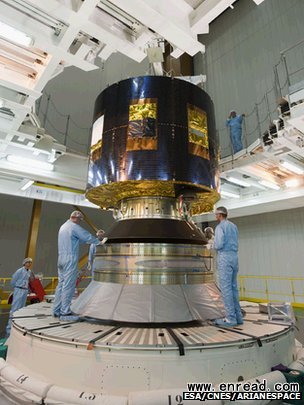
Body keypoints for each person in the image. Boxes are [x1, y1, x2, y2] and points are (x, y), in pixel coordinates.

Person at [53, 211, 101, 321]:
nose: (80, 223)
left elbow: (76, 239)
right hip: (70, 258)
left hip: (61, 258)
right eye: (80, 220)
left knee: (61, 284)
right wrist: (99, 242)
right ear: (75, 218)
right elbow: (87, 236)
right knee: (69, 286)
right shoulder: (73, 226)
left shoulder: (63, 227)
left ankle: (56, 310)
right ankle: (65, 313)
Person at [213, 207, 243, 327]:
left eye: (216, 215)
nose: (215, 217)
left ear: (220, 215)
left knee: (226, 289)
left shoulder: (220, 227)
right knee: (234, 287)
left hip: (225, 257)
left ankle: (230, 318)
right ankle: (238, 317)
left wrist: (212, 245)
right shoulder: (233, 226)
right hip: (234, 257)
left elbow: (219, 244)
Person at [6, 257, 33, 336]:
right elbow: (13, 281)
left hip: (24, 291)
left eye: (30, 262)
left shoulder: (29, 271)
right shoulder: (19, 271)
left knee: (21, 308)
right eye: (28, 262)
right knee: (15, 308)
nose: (29, 264)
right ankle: (9, 328)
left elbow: (28, 281)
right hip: (18, 290)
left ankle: (17, 325)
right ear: (24, 263)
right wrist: (17, 288)